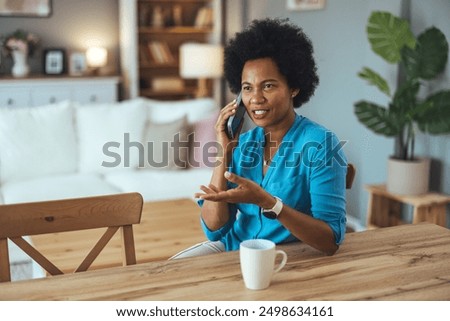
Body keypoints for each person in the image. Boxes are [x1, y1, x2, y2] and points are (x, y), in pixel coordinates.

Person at [171, 18, 347, 259]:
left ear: (293, 87)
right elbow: (214, 229)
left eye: (268, 86)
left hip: (284, 257)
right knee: (169, 272)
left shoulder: (321, 145)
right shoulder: (243, 145)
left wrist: (269, 203)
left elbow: (330, 241)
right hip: (234, 250)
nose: (255, 98)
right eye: (247, 87)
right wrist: (224, 152)